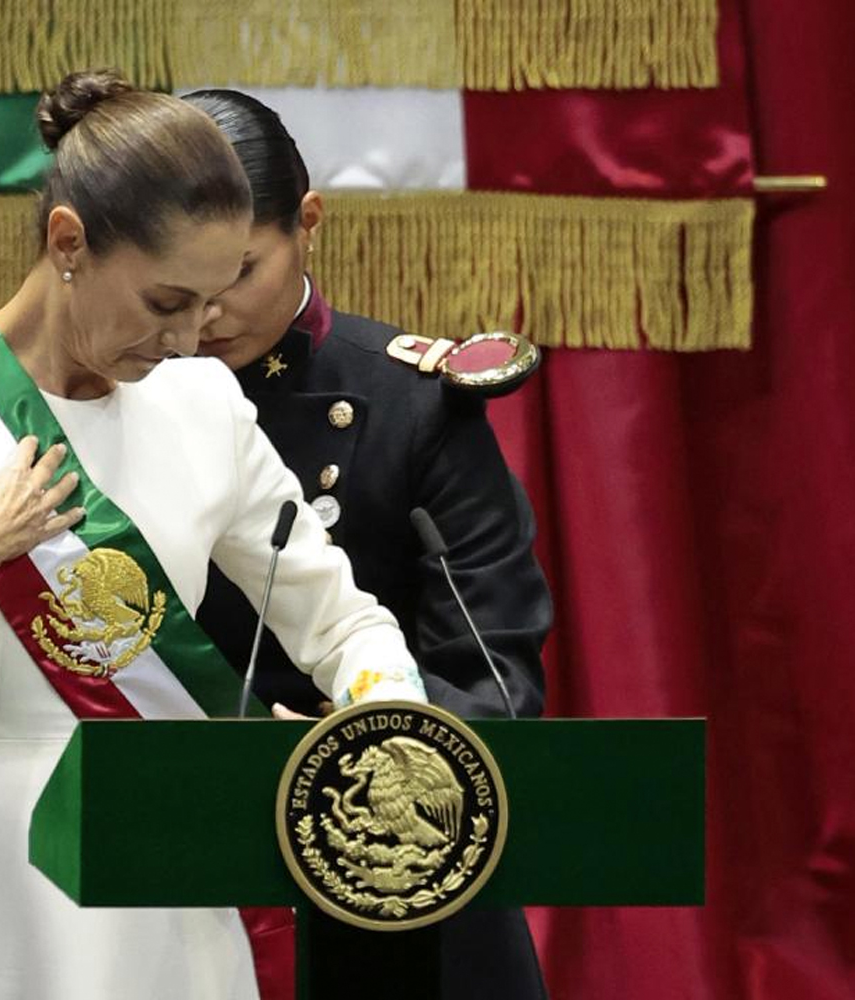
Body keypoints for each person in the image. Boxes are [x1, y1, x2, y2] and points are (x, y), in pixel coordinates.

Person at [0, 70, 429, 1000]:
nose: (188, 339)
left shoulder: (203, 404)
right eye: (166, 302)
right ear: (68, 242)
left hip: (158, 886)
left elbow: (342, 624)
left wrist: (383, 724)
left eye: (211, 304)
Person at [184, 88, 554, 999]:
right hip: (175, 854)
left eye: (240, 272)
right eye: (179, 279)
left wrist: (364, 746)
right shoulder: (113, 403)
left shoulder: (413, 401)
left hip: (390, 864)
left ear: (307, 224)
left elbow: (493, 673)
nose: (207, 312)